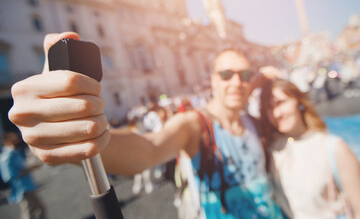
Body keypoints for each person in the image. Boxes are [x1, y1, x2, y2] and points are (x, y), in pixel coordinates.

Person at [9, 32, 286, 218]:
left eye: (245, 75)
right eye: (227, 74)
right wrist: (71, 133)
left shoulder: (255, 122)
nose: (237, 82)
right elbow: (148, 149)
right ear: (213, 79)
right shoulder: (194, 123)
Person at [259, 78, 360, 219]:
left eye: (281, 103)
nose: (276, 113)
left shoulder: (332, 147)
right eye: (269, 107)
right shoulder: (272, 151)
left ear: (299, 101)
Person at [0, 132, 46, 219]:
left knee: (39, 209)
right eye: (14, 139)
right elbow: (9, 176)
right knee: (29, 212)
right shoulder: (7, 157)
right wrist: (30, 169)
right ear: (8, 141)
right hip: (22, 190)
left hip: (28, 187)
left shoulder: (15, 152)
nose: (17, 140)